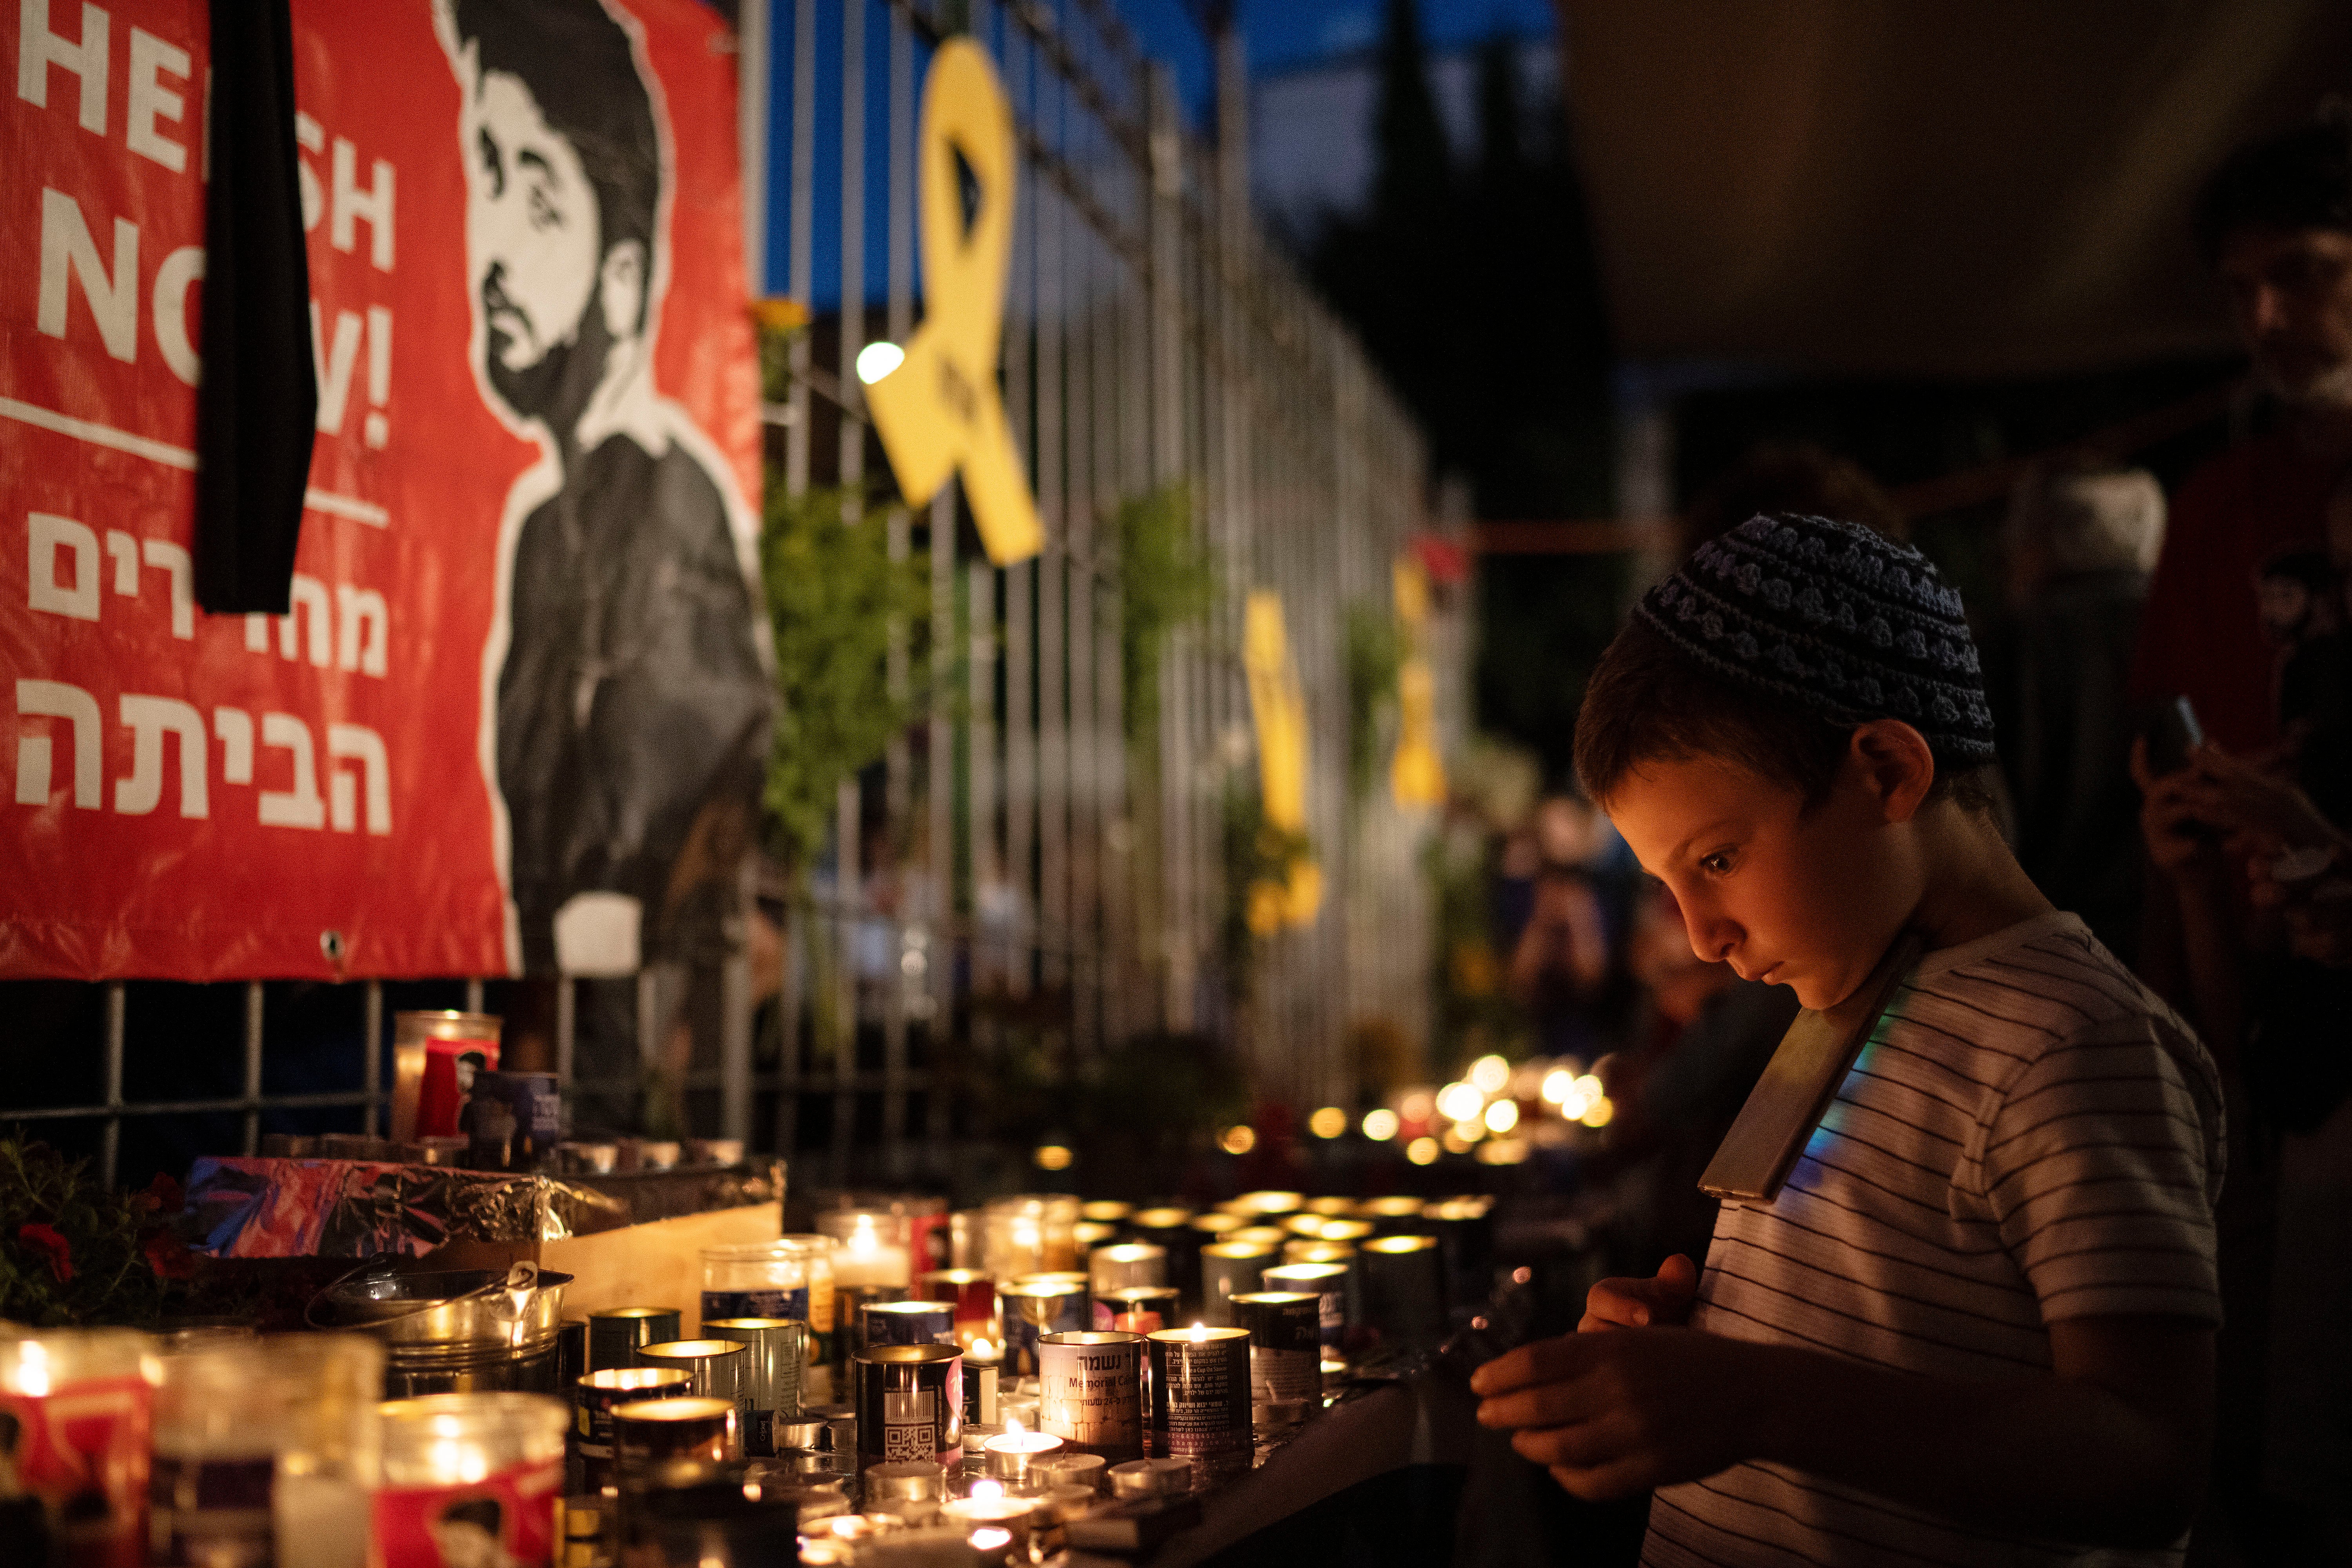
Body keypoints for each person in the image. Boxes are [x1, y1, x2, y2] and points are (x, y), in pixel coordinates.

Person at [1475, 515, 2223, 1566]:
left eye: (1719, 859)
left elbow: (2151, 1460)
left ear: (1883, 772)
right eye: (1666, 886)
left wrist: (1759, 1400)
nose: (1700, 936)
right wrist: (1693, 1354)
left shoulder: (2073, 1041)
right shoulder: (1844, 1002)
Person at [442, 0, 772, 976]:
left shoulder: (665, 507)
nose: (493, 250)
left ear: (624, 281)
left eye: (538, 196)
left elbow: (629, 892)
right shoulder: (553, 524)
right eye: (486, 173)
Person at [2131, 105, 2352, 753]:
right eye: (2240, 289)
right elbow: (2170, 722)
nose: (2264, 319)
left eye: (2301, 272)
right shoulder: (2217, 506)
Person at [1982, 465, 2166, 961]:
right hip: (2182, 929)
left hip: (2048, 941)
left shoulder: (2012, 642)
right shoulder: (2182, 622)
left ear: (2040, 541)